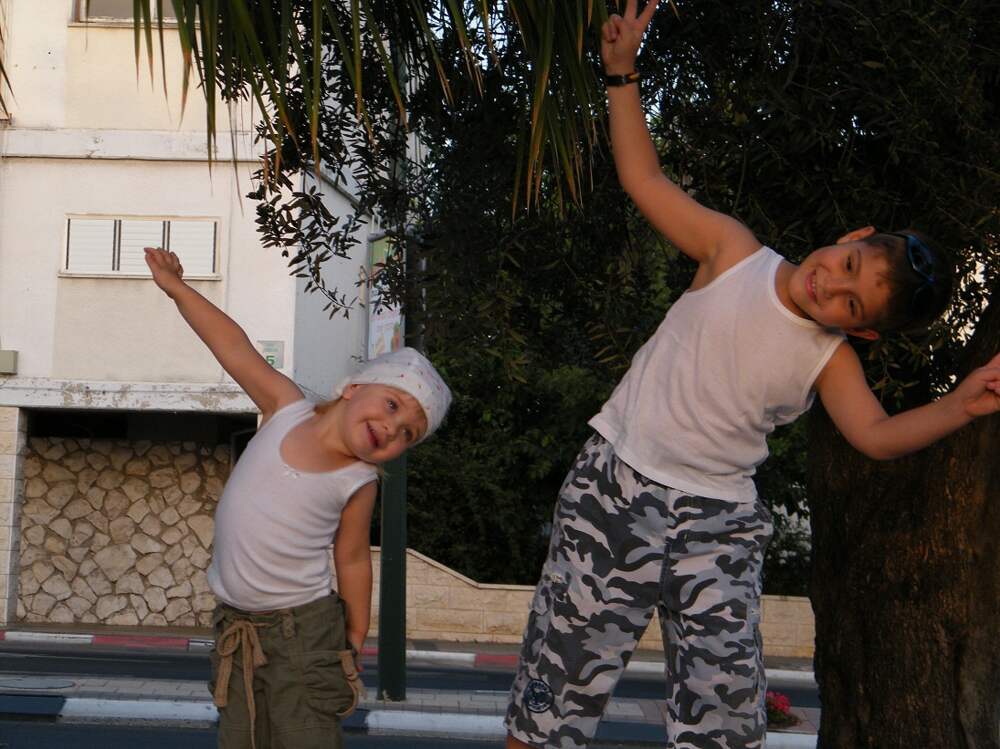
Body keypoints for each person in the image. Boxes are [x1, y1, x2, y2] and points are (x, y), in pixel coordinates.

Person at [504, 2, 1000, 748]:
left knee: (726, 718)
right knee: (555, 690)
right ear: (853, 236)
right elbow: (643, 177)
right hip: (616, 487)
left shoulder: (830, 357)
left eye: (851, 303)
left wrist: (960, 405)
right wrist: (622, 75)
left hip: (717, 522)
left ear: (863, 329)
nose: (831, 285)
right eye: (848, 263)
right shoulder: (733, 252)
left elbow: (875, 435)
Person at [144, 247, 451, 749]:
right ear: (353, 388)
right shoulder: (285, 408)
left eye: (407, 434)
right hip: (236, 626)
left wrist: (355, 636)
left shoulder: (357, 480)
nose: (392, 427)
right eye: (393, 404)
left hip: (303, 633)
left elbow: (352, 559)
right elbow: (234, 346)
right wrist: (178, 289)